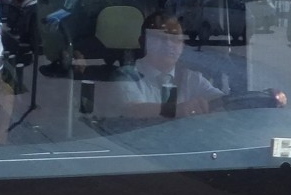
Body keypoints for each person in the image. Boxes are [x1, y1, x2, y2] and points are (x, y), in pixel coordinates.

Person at [96, 11, 224, 119]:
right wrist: (176, 110)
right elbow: (130, 110)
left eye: (175, 39)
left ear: (183, 45)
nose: (168, 45)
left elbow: (220, 101)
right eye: (159, 38)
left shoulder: (191, 78)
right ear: (143, 42)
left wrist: (218, 106)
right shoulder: (127, 76)